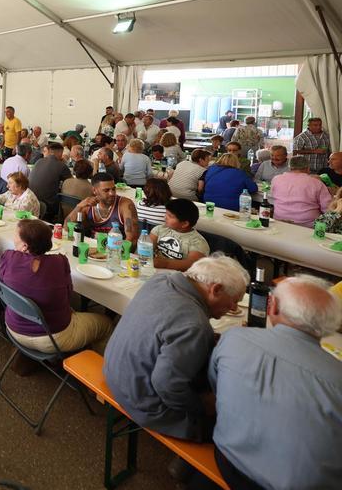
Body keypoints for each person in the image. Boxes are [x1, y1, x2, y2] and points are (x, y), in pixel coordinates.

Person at [210, 276, 342, 489]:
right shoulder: (336, 376)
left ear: (272, 308)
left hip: (228, 462)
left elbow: (216, 387)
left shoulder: (234, 338)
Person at [104, 255, 249, 441]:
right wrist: (203, 406)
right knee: (234, 429)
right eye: (233, 300)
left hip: (114, 371)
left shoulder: (159, 280)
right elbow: (167, 386)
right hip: (140, 401)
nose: (233, 307)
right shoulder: (194, 325)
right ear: (216, 289)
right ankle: (188, 467)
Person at [0, 219, 113, 353]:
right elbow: (68, 295)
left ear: (25, 246)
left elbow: (1, 285)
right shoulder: (59, 262)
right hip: (52, 338)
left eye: (15, 236)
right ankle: (94, 369)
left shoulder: (8, 257)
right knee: (107, 324)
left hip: (13, 328)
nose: (13, 239)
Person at [66, 172, 139, 244]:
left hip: (116, 251)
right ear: (94, 190)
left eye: (113, 189)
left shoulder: (125, 205)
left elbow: (132, 239)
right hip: (92, 249)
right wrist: (79, 207)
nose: (112, 193)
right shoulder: (87, 206)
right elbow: (66, 228)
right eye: (106, 190)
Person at [271, 155, 332, 227]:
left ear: (289, 167)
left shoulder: (276, 179)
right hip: (308, 226)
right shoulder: (316, 182)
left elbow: (274, 197)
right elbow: (328, 208)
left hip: (280, 221)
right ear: (308, 168)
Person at [150, 199, 209, 271]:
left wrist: (164, 263)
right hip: (154, 271)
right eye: (166, 213)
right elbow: (146, 248)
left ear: (185, 224)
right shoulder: (159, 229)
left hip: (179, 277)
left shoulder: (198, 242)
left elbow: (191, 264)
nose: (165, 217)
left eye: (170, 216)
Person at [28, 142, 71, 219]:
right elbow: (71, 182)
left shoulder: (39, 161)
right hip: (48, 204)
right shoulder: (61, 165)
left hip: (31, 199)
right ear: (60, 153)